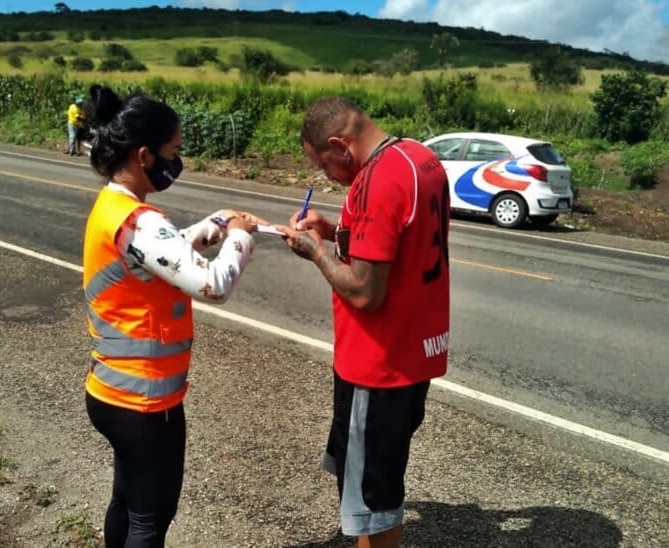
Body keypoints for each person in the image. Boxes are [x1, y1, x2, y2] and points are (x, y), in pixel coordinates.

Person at [82, 84, 259, 547]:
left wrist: (210, 226)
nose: (177, 162)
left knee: (126, 502)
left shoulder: (115, 206)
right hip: (145, 402)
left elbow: (153, 256)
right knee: (150, 519)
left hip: (111, 391)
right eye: (174, 152)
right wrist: (239, 237)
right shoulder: (140, 221)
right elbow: (213, 284)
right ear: (144, 155)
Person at [279, 97, 451, 548]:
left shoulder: (377, 180)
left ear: (340, 145)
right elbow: (397, 243)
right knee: (375, 479)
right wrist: (333, 230)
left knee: (373, 503)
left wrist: (314, 251)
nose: (327, 176)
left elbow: (364, 291)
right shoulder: (419, 157)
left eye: (324, 165)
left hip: (378, 364)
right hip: (413, 352)